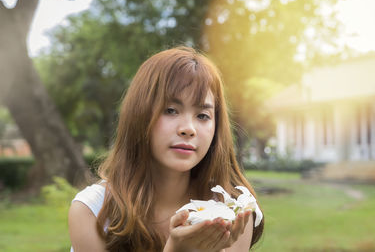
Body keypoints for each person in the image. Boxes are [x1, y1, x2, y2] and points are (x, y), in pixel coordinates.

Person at [68, 46, 264, 251]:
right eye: (171, 110)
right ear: (139, 115)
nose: (188, 129)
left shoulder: (231, 212)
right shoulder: (92, 211)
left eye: (202, 116)